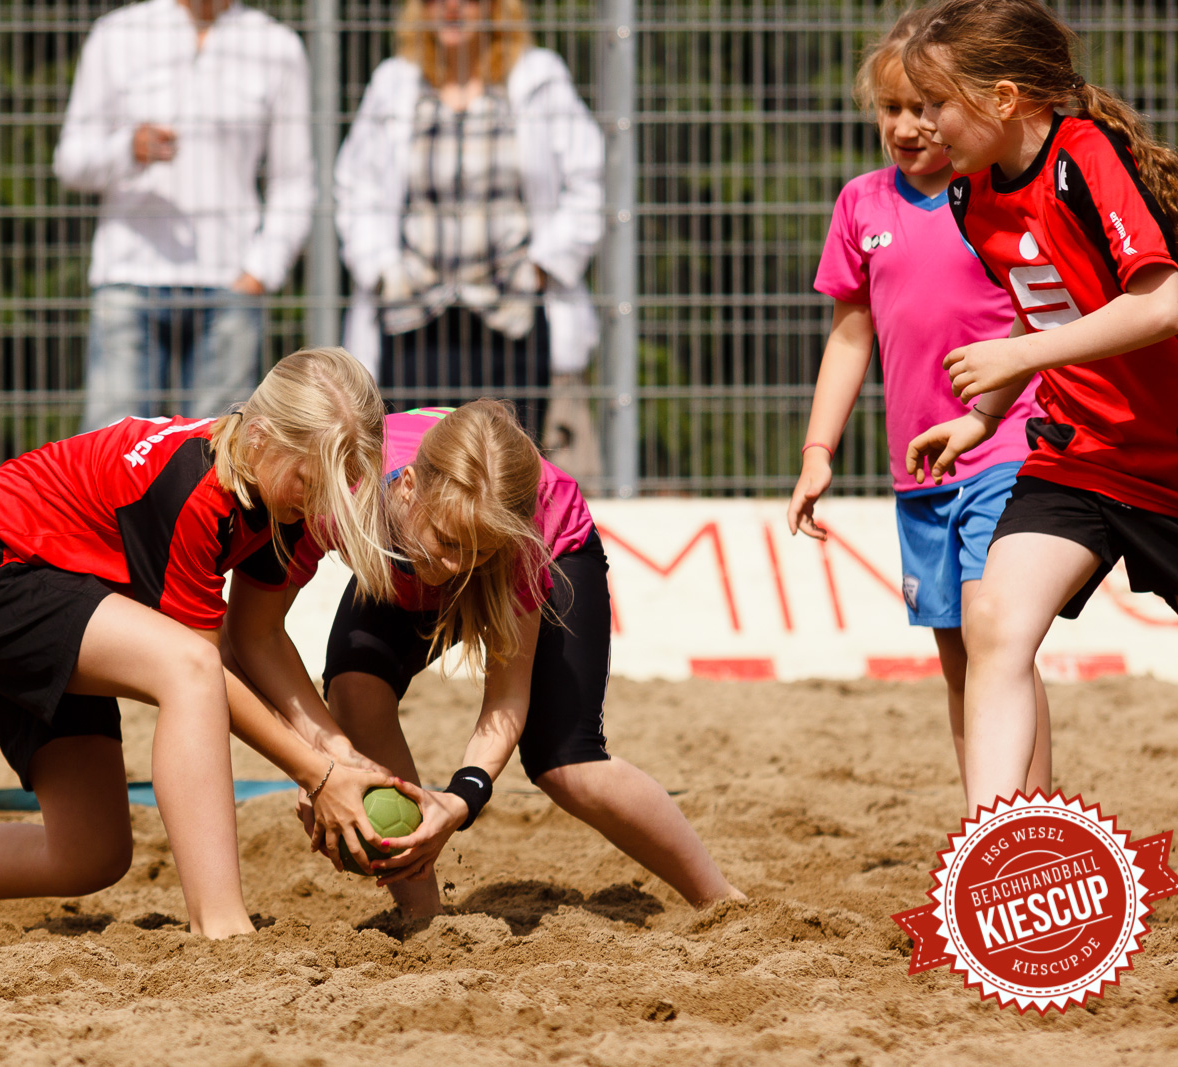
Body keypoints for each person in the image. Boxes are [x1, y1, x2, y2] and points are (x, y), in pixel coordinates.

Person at [0, 349, 397, 939]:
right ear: (260, 438)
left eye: (337, 486)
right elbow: (207, 672)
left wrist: (337, 750)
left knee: (90, 853)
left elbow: (259, 637)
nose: (322, 501)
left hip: (64, 585)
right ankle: (220, 925)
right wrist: (317, 775)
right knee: (188, 666)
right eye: (310, 480)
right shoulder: (193, 488)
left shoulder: (277, 493)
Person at [240, 401, 744, 917]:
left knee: (566, 763)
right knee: (353, 690)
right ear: (408, 487)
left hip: (549, 543)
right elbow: (252, 636)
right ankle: (423, 923)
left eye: (476, 553)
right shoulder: (339, 494)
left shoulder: (511, 541)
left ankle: (724, 904)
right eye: (449, 542)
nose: (459, 567)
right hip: (405, 545)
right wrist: (328, 767)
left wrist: (460, 800)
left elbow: (506, 696)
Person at [902, 0, 1178, 818]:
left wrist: (1016, 358)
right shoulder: (972, 197)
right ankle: (996, 853)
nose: (924, 122)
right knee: (996, 622)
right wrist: (982, 416)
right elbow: (1046, 309)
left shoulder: (1084, 156)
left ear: (1005, 99)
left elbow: (1162, 305)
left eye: (937, 102)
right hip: (1078, 452)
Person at [787, 10, 1050, 802]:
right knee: (961, 662)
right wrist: (816, 452)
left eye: (923, 107)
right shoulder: (861, 205)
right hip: (920, 472)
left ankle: (1031, 831)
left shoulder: (996, 197)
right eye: (891, 108)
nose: (907, 126)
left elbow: (1038, 316)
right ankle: (989, 830)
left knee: (997, 640)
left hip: (1006, 447)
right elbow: (849, 337)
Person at [334, 0, 603, 444]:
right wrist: (382, 271)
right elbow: (353, 186)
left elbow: (587, 181)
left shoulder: (537, 77)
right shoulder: (395, 82)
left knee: (505, 477)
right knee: (414, 475)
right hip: (413, 317)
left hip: (511, 316)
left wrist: (540, 268)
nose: (453, 6)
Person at [54, 0, 313, 427]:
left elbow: (295, 179)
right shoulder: (117, 34)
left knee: (219, 465)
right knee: (107, 462)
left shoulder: (275, 45)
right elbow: (70, 161)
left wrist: (261, 271)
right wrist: (127, 149)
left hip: (231, 285)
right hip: (129, 279)